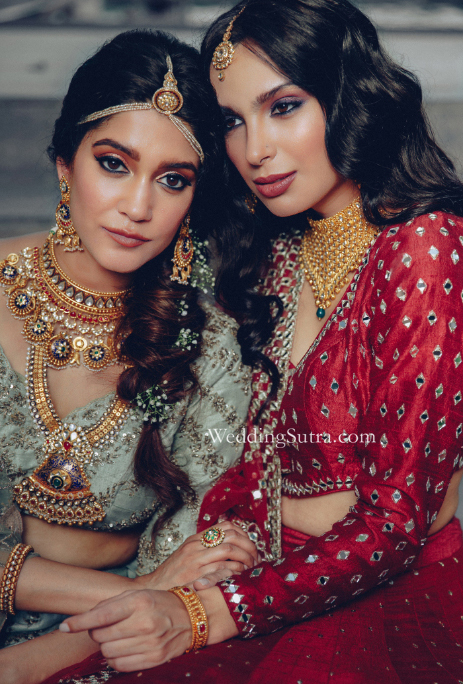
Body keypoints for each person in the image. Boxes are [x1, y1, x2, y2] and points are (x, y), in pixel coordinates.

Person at [39, 1, 463, 682]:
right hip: (256, 570)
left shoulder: (423, 245)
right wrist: (203, 558)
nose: (255, 150)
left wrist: (203, 612)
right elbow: (254, 452)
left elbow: (395, 521)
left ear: (348, 98)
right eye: (233, 122)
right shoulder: (280, 247)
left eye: (283, 107)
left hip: (375, 590)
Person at [0, 28, 259, 684]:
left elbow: (200, 551)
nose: (138, 207)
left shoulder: (210, 346)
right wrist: (147, 590)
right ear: (64, 162)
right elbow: (165, 585)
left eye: (172, 180)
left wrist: (152, 600)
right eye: (113, 163)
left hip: (125, 646)